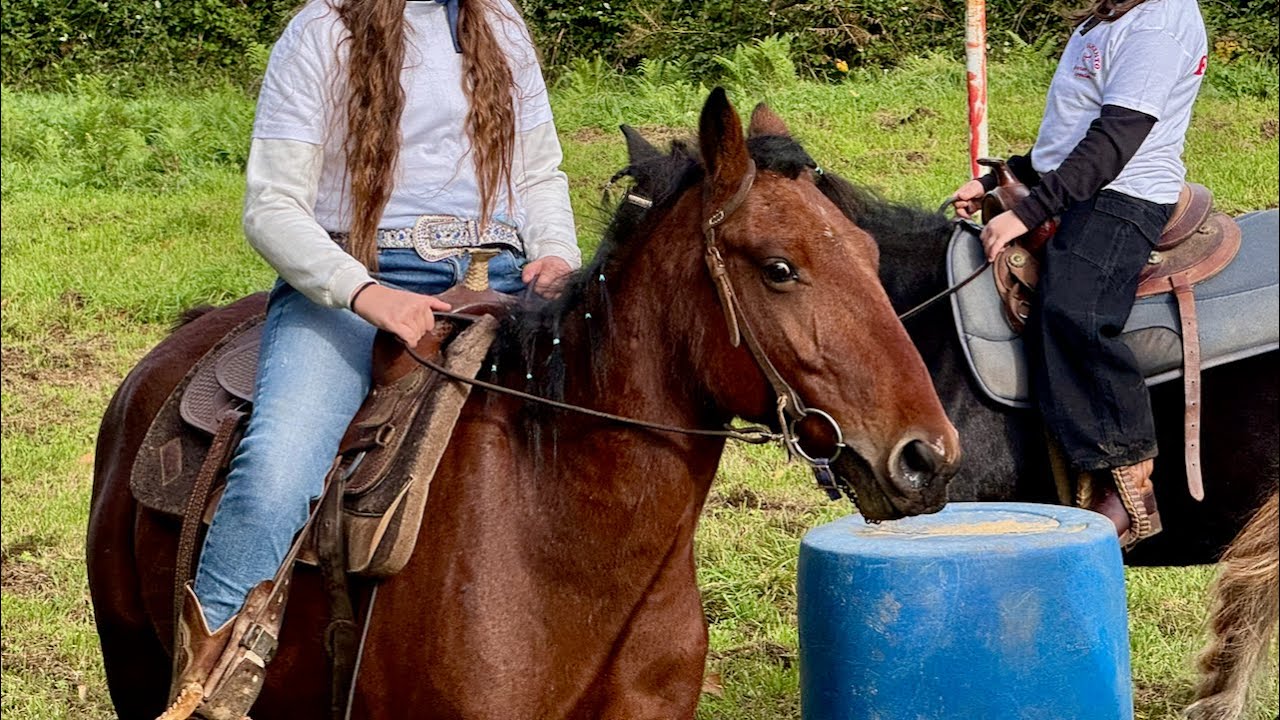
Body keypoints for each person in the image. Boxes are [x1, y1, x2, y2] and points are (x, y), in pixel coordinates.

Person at [164, 0, 579, 715]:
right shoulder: (324, 29)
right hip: (351, 285)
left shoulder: (501, 23)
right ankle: (207, 691)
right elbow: (271, 205)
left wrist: (555, 253)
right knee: (278, 470)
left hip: (502, 280)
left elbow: (539, 173)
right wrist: (366, 294)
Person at [951, 0, 1208, 549]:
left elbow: (1116, 138)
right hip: (1084, 183)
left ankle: (1130, 482)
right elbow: (1072, 131)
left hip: (1126, 193)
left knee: (1075, 307)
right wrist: (1013, 175)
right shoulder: (1106, 18)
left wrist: (1028, 211)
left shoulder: (1160, 22)